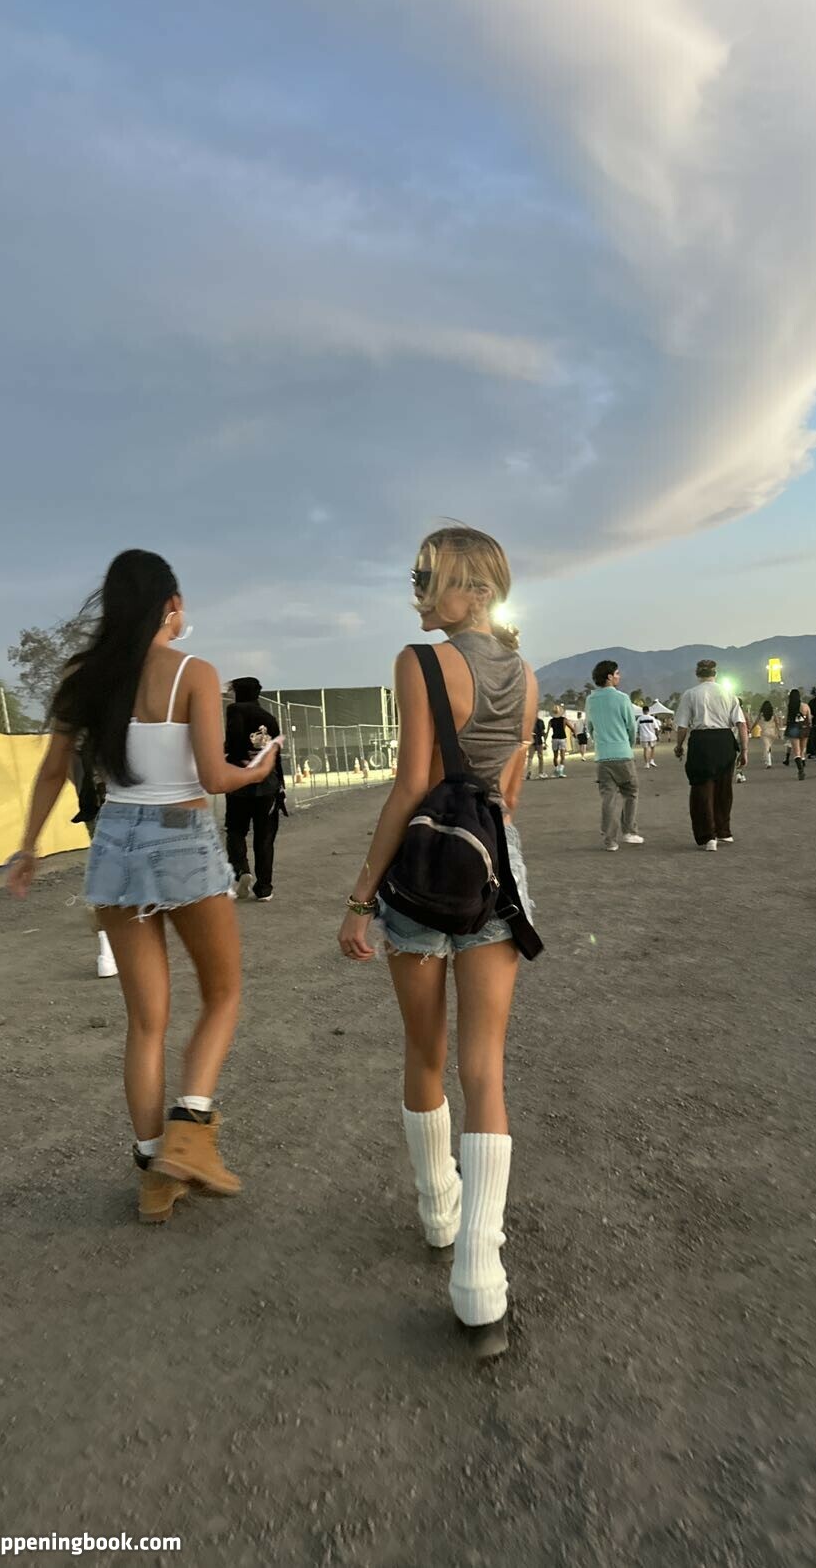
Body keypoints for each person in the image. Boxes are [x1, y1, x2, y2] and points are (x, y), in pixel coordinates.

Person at [6, 550, 279, 1223]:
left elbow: (52, 770)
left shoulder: (84, 676)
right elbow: (213, 777)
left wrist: (28, 846)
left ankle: (155, 1173)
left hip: (117, 842)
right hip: (182, 836)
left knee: (146, 1021)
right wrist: (258, 768)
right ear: (170, 605)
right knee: (222, 994)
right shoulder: (195, 672)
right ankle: (190, 1132)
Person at [336, 526, 538, 1361]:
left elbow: (411, 785)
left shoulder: (420, 664)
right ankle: (479, 1280)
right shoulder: (525, 676)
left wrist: (359, 900)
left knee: (426, 1052)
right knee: (485, 1068)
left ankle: (438, 1213)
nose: (418, 592)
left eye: (431, 578)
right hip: (493, 871)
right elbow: (509, 796)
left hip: (422, 871)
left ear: (476, 589)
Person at [224, 677, 287, 902]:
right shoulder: (269, 718)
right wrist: (281, 784)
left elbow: (233, 744)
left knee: (235, 830)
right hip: (268, 784)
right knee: (265, 837)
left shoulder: (234, 710)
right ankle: (264, 888)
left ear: (239, 692)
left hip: (240, 783)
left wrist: (235, 756)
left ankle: (242, 870)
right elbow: (276, 754)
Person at [673, 661, 748, 849]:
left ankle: (708, 836)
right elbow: (741, 724)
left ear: (697, 674)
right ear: (716, 673)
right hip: (724, 741)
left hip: (701, 741)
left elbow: (682, 726)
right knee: (724, 788)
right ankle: (724, 831)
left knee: (702, 789)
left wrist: (679, 746)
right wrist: (744, 750)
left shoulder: (690, 694)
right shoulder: (728, 693)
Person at [69, 744, 118, 978]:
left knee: (106, 871)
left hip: (95, 802)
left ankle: (107, 952)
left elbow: (67, 768)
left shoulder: (77, 729)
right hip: (134, 801)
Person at [585, 660, 641, 852]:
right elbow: (631, 726)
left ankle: (610, 840)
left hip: (603, 757)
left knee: (608, 798)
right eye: (617, 673)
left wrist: (600, 743)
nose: (619, 676)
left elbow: (590, 727)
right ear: (609, 677)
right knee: (630, 792)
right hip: (622, 754)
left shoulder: (591, 700)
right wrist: (628, 745)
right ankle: (629, 830)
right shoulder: (622, 698)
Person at [784, 687, 811, 780]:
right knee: (803, 749)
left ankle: (800, 770)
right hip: (804, 728)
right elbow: (809, 719)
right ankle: (803, 764)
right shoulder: (805, 706)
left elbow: (786, 719)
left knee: (797, 751)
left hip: (793, 728)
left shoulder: (790, 707)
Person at [548, 705, 574, 777]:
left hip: (554, 739)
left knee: (555, 756)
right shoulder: (564, 719)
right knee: (562, 756)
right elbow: (572, 728)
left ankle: (557, 770)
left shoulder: (551, 721)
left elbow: (547, 731)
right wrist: (575, 734)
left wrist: (544, 741)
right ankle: (561, 771)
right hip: (562, 739)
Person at [756, 700, 781, 768]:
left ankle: (768, 762)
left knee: (767, 747)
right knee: (769, 746)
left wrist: (751, 729)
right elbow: (777, 723)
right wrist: (778, 732)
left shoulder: (761, 714)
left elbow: (756, 722)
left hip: (765, 732)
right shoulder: (773, 714)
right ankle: (767, 759)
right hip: (772, 732)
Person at [637, 704, 660, 768]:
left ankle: (647, 763)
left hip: (643, 736)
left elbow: (637, 728)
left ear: (643, 711)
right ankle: (652, 760)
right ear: (648, 711)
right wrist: (657, 736)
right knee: (652, 748)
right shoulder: (652, 718)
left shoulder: (640, 718)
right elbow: (656, 728)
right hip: (652, 736)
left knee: (645, 749)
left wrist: (638, 736)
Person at [525, 713, 546, 780]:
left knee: (530, 757)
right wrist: (545, 742)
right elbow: (543, 732)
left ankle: (529, 771)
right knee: (540, 757)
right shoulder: (541, 721)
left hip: (532, 741)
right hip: (539, 741)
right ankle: (540, 772)